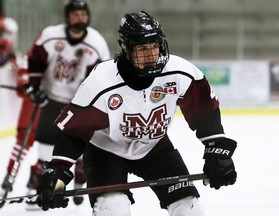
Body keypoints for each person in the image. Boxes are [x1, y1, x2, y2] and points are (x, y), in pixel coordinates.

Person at [36, 11, 237, 216]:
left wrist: (216, 147)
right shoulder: (101, 82)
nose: (151, 56)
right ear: (126, 49)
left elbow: (204, 110)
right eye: (142, 49)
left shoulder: (179, 73)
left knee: (189, 208)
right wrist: (58, 172)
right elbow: (73, 131)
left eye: (154, 47)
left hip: (154, 148)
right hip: (106, 152)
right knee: (113, 209)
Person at [0, 0, 110, 207]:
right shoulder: (51, 35)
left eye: (83, 15)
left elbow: (100, 77)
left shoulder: (97, 43)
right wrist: (32, 86)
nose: (80, 19)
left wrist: (90, 102)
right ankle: (39, 187)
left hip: (76, 105)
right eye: (76, 15)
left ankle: (76, 180)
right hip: (50, 99)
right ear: (67, 17)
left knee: (78, 149)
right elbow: (34, 61)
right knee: (45, 150)